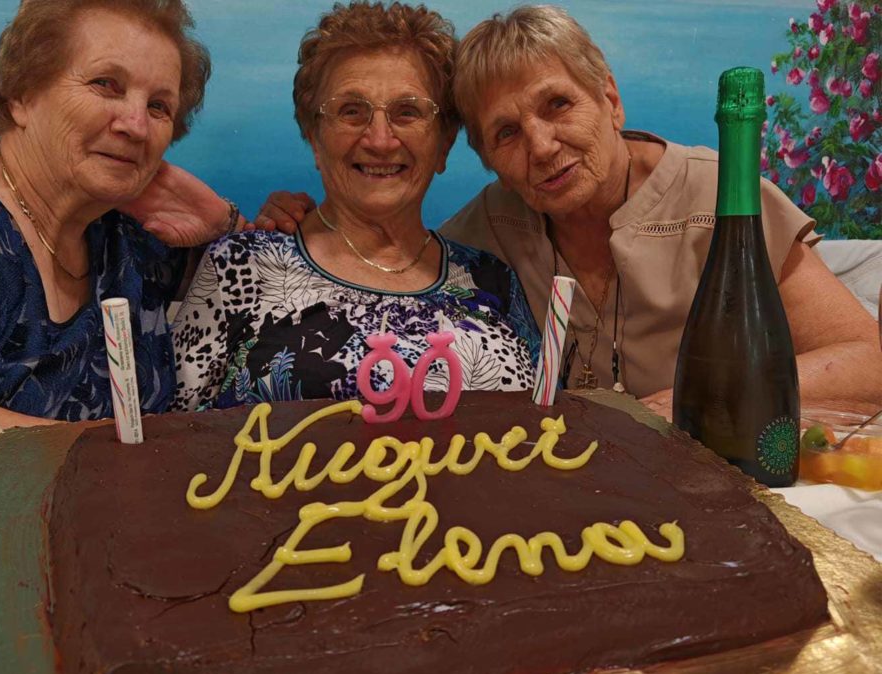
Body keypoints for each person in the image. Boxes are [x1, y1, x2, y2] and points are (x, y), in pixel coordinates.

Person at [254, 4, 882, 418]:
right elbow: (390, 262)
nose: (541, 146)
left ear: (609, 97)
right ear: (486, 159)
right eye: (506, 133)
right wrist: (299, 223)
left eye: (557, 105)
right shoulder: (488, 230)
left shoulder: (720, 199)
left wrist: (684, 405)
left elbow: (867, 360)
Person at [0, 0, 243, 507]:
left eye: (159, 107)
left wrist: (223, 223)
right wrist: (149, 466)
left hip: (115, 528)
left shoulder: (125, 227)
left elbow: (265, 285)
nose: (136, 125)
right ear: (22, 95)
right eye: (106, 84)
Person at [171, 1, 538, 412]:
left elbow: (548, 422)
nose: (380, 140)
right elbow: (172, 433)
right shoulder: (241, 267)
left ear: (444, 143)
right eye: (351, 111)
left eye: (407, 112)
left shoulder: (493, 281)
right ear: (315, 138)